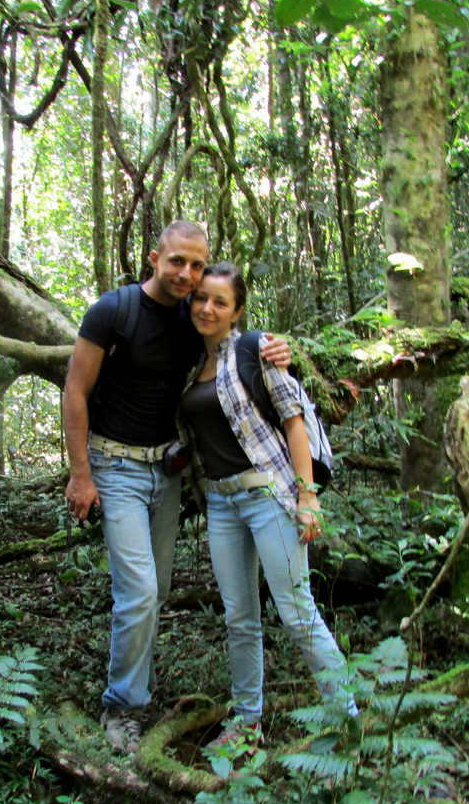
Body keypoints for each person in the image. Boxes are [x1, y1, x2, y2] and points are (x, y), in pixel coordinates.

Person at [63, 223, 289, 753]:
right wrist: (80, 474)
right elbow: (76, 388)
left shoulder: (195, 317)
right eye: (177, 263)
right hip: (113, 465)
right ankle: (122, 707)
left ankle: (137, 686)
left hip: (166, 471)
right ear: (154, 259)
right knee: (139, 592)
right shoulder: (112, 311)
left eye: (197, 264)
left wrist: (281, 348)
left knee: (155, 590)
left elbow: (235, 347)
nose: (187, 274)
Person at [177, 262, 352, 747]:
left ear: (237, 312)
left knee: (297, 611)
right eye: (201, 298)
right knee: (239, 616)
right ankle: (246, 723)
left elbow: (294, 420)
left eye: (220, 302)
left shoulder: (255, 349)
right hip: (221, 504)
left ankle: (347, 717)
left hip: (269, 494)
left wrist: (307, 495)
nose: (207, 308)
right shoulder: (190, 366)